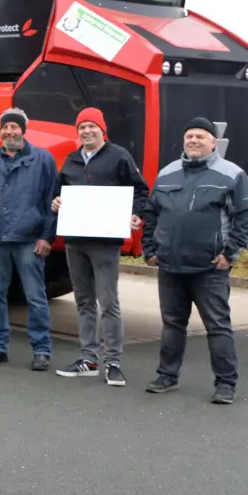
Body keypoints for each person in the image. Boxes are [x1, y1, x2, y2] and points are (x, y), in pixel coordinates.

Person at [141, 117, 248, 405]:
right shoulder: (167, 173)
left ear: (213, 142)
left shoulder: (232, 175)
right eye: (189, 136)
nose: (193, 141)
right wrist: (150, 249)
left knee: (217, 326)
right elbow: (151, 213)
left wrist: (229, 255)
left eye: (200, 137)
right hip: (170, 265)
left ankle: (226, 383)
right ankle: (167, 375)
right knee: (172, 325)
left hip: (209, 269)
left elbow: (246, 217)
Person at [50, 107, 147, 386]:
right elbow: (58, 193)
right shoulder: (71, 159)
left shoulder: (119, 157)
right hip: (75, 242)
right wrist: (55, 203)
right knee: (83, 302)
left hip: (105, 243)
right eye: (82, 127)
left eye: (92, 126)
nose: (86, 131)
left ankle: (113, 362)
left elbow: (140, 189)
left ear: (103, 130)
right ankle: (89, 359)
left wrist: (136, 214)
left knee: (108, 303)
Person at [0, 108, 58, 370]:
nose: (10, 132)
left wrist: (47, 236)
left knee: (35, 297)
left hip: (29, 240)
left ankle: (41, 350)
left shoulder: (42, 159)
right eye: (6, 127)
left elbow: (52, 200)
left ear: (24, 130)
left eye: (14, 127)